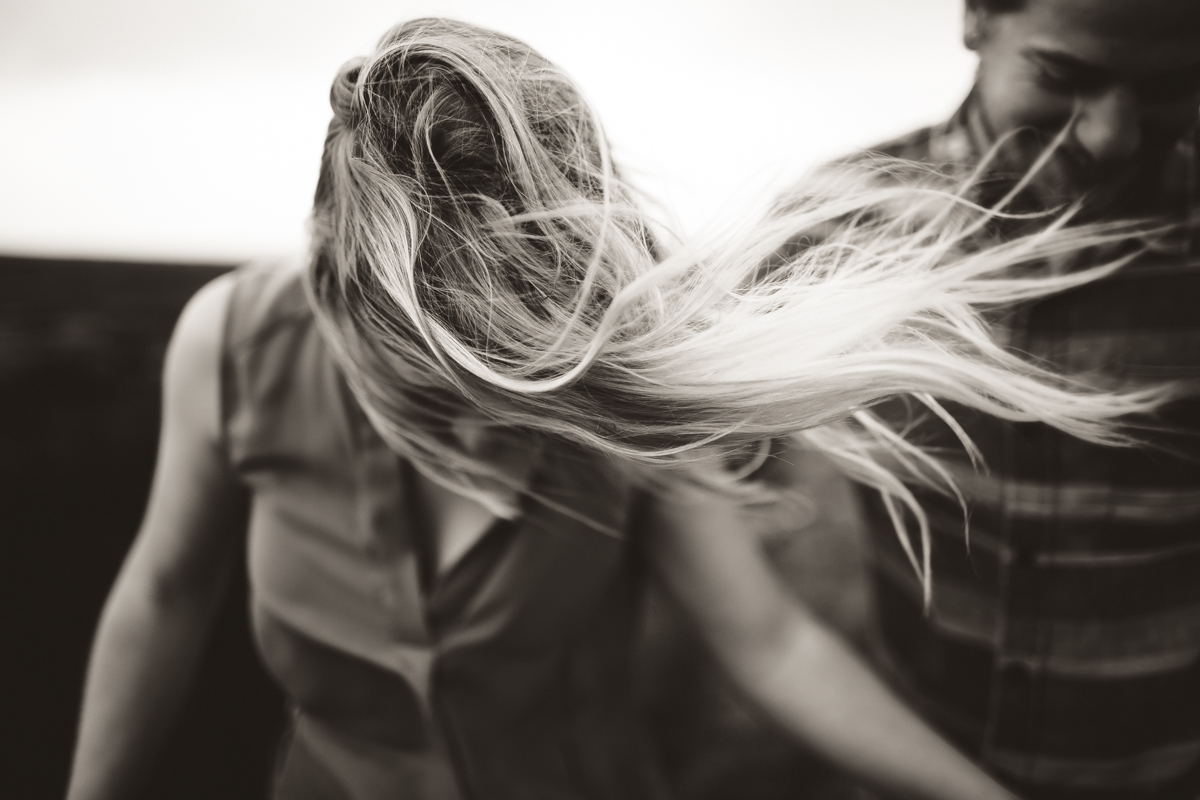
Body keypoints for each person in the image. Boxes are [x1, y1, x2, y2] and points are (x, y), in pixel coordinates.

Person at [64, 17, 1171, 800]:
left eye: (521, 384)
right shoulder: (232, 343)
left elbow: (771, 638)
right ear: (344, 299)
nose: (483, 433)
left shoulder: (617, 380)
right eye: (439, 391)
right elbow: (162, 592)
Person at [841, 1, 1200, 797]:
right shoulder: (843, 226)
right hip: (909, 763)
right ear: (977, 18)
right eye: (1064, 75)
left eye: (1172, 83)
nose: (1113, 136)